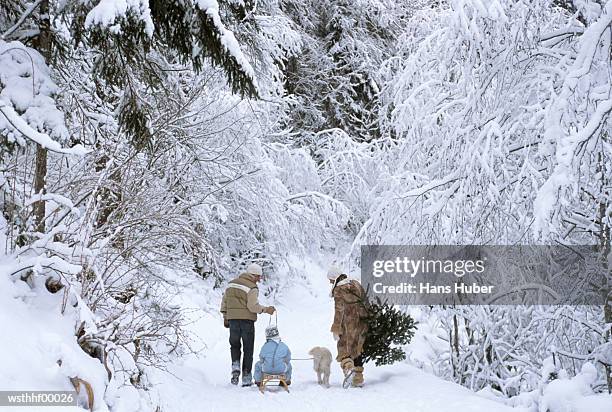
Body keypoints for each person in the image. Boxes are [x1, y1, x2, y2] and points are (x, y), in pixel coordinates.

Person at [220, 263, 276, 386]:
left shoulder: (231, 284)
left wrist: (225, 316)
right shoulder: (252, 287)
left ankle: (235, 367)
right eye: (258, 277)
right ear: (253, 275)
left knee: (234, 345)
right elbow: (252, 307)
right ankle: (246, 376)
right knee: (248, 348)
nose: (259, 279)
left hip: (233, 320)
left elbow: (224, 302)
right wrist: (266, 309)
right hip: (247, 321)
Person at [328, 265, 369, 387]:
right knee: (357, 349)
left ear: (335, 277)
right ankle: (358, 379)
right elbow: (366, 302)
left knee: (343, 350)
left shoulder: (339, 290)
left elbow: (339, 311)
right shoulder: (356, 284)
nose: (330, 282)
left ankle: (349, 369)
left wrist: (336, 328)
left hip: (347, 324)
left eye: (330, 280)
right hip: (361, 323)